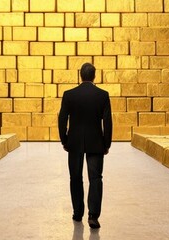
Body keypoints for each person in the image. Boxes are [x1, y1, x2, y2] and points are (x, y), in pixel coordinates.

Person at [58, 63, 113, 229]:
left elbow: (62, 119)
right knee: (95, 179)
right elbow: (108, 122)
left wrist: (64, 140)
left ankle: (77, 212)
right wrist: (106, 143)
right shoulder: (102, 95)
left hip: (74, 142)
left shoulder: (69, 95)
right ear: (94, 76)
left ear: (80, 75)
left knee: (75, 178)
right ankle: (93, 216)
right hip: (96, 142)